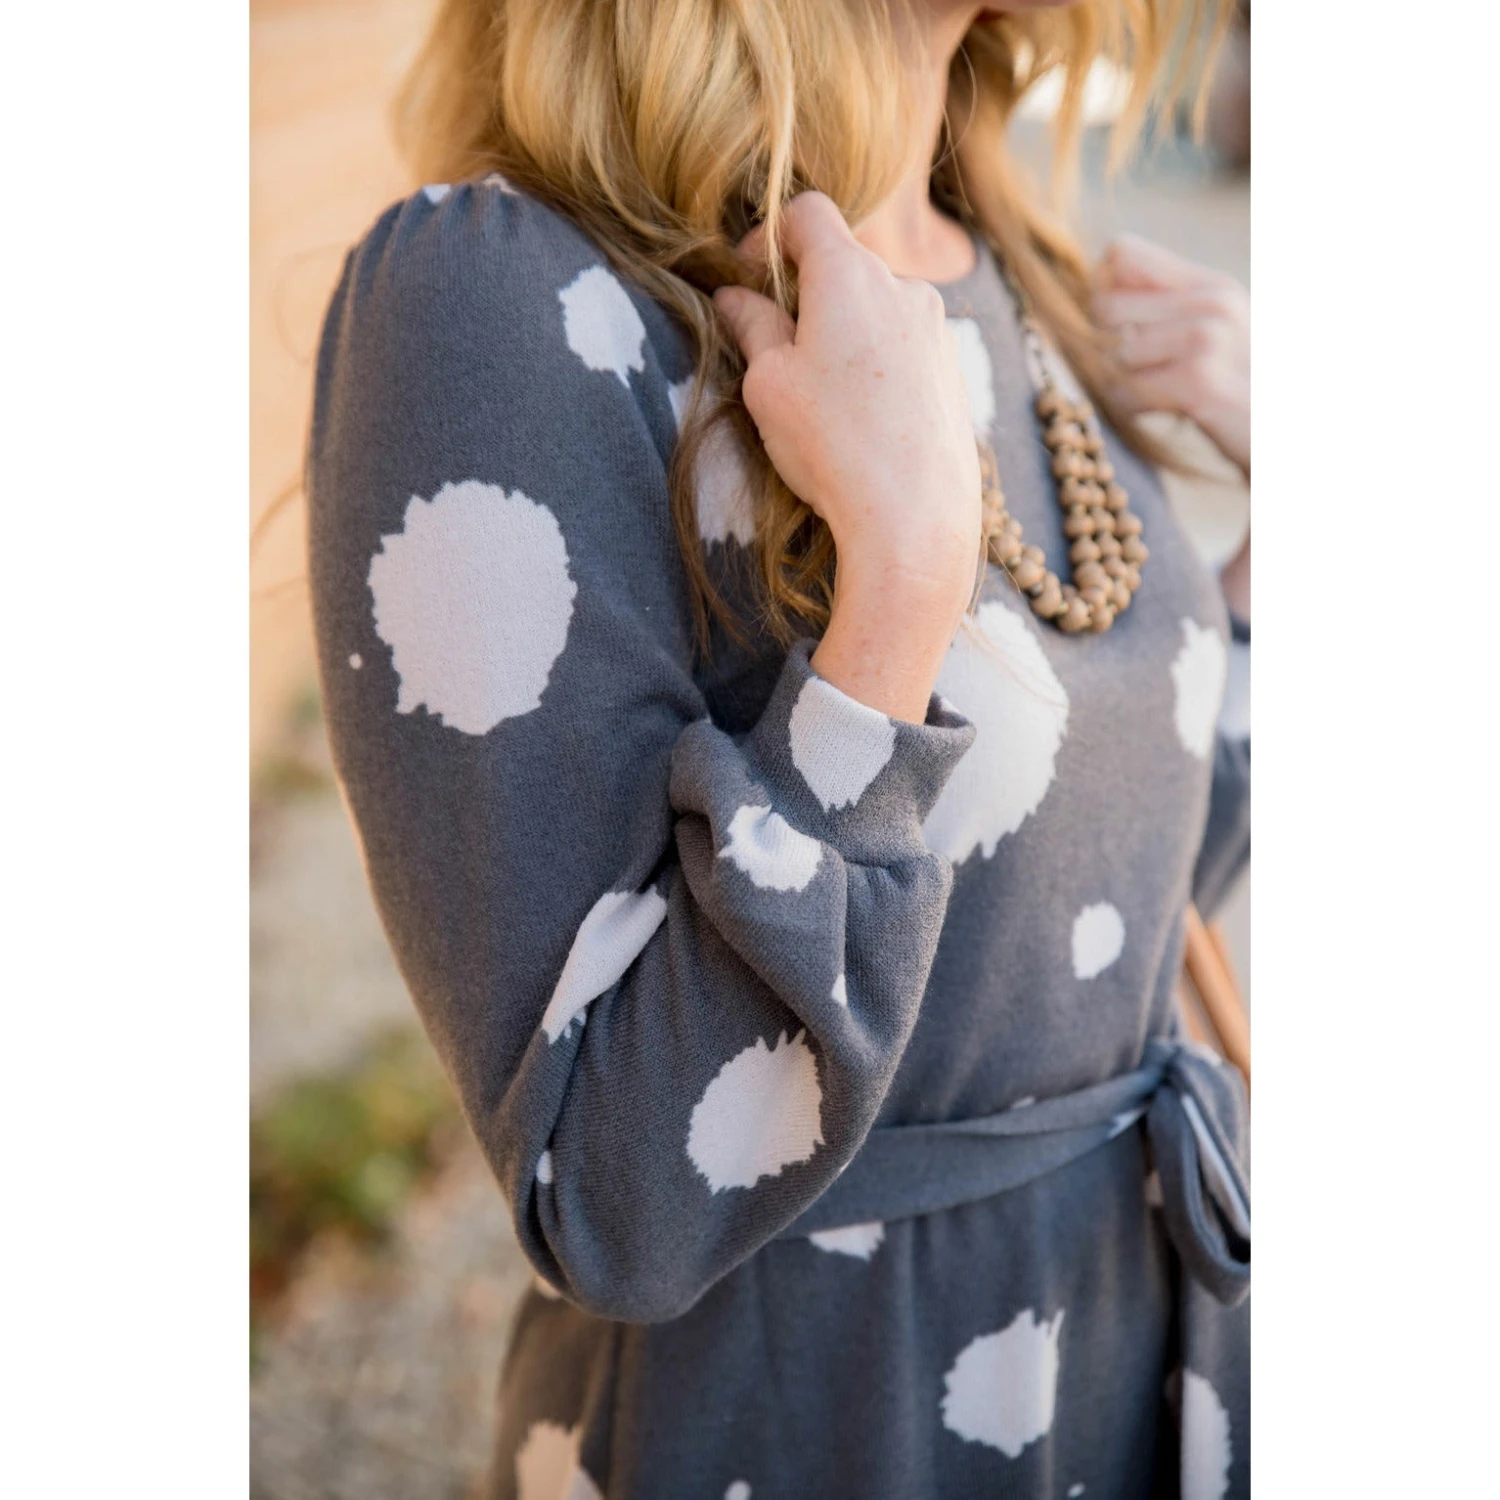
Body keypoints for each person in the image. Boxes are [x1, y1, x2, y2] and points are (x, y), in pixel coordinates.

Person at [305, 1, 1251, 1494]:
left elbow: (1114, 907)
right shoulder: (501, 297)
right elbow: (613, 1196)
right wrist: (899, 589)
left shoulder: (1018, 266)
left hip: (1131, 1359)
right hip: (821, 1409)